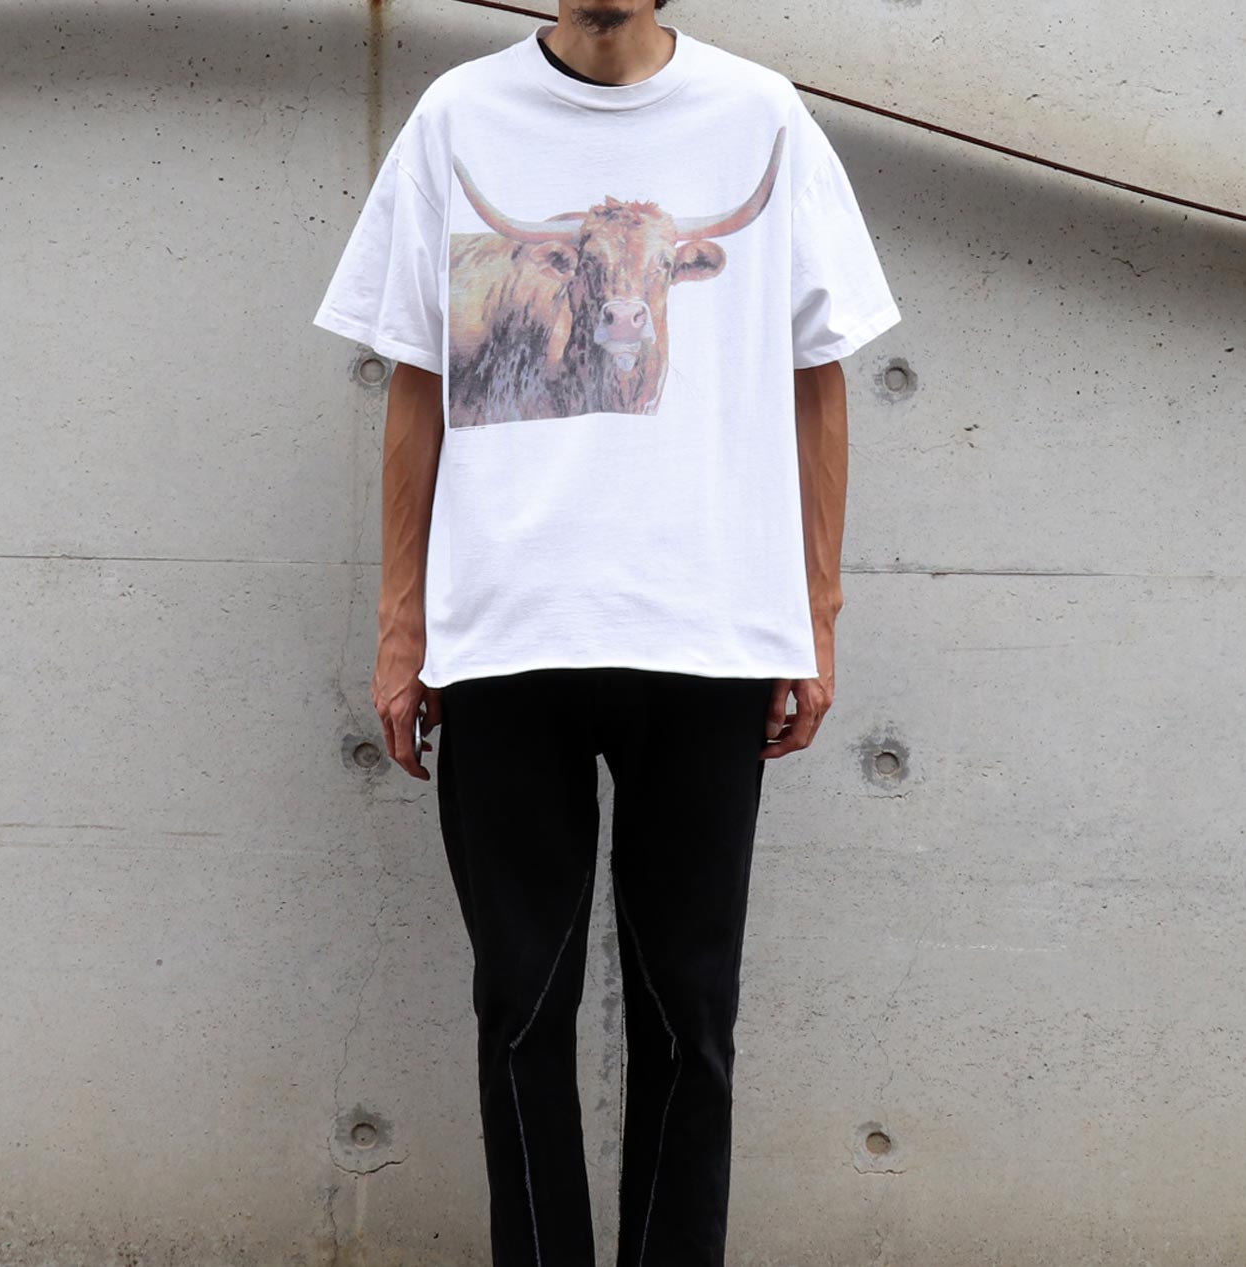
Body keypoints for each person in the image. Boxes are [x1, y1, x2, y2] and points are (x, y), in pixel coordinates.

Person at [311, 1, 901, 1262]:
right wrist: (402, 625)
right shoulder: (458, 119)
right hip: (505, 636)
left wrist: (815, 611)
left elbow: (819, 373)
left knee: (691, 1014)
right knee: (520, 1010)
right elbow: (416, 381)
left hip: (709, 636)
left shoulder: (761, 118)